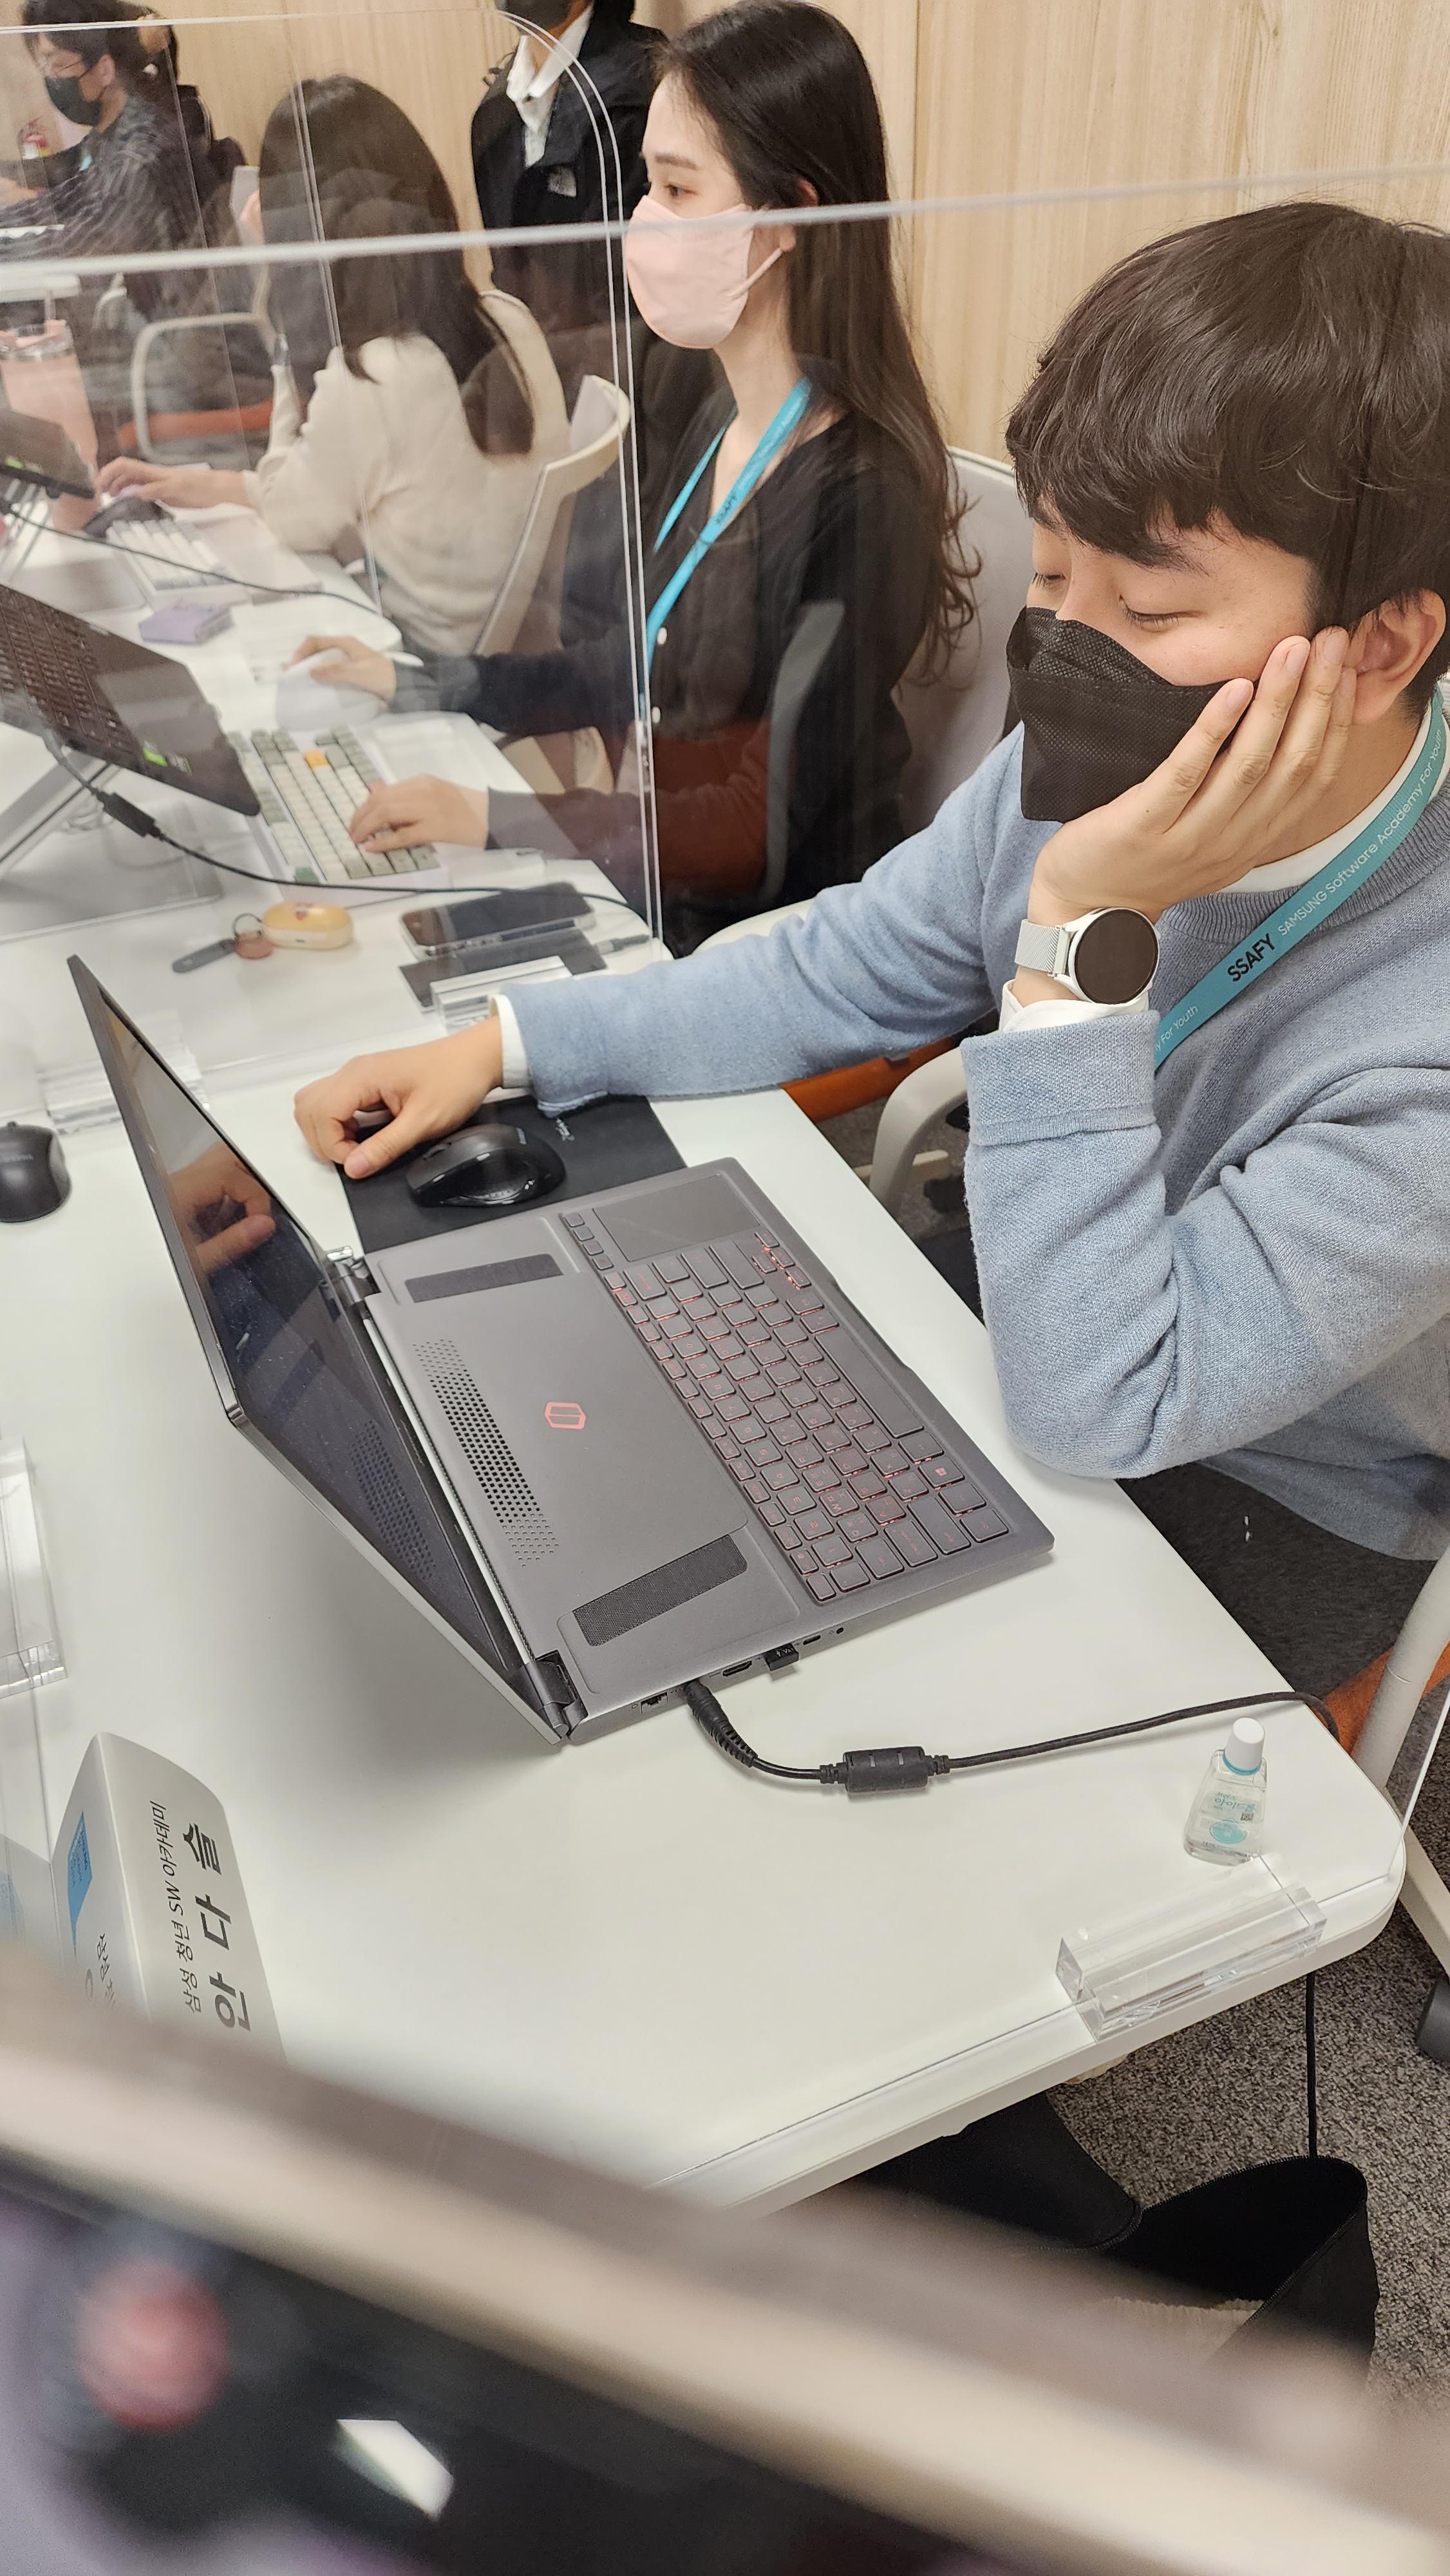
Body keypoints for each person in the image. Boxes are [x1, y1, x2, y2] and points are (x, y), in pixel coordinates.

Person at [296, 200, 1450, 1701]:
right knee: (605, 1505)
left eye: (1152, 606)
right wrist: (511, 1044)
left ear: (1377, 646)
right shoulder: (1113, 753)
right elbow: (846, 961)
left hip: (1256, 1476)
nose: (1071, 645)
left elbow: (1110, 1391)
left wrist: (1078, 932)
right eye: (1052, 580)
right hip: (1022, 1293)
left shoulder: (1416, 1015)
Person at [290, 0, 969, 945]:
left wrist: (498, 817)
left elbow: (753, 830)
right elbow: (640, 660)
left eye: (679, 190)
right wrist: (430, 682)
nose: (643, 223)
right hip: (662, 884)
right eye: (647, 185)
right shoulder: (721, 419)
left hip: (771, 942)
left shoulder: (862, 497)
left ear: (790, 219)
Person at [97, 79, 569, 660]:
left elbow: (292, 518)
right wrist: (210, 486)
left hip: (420, 663)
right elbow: (316, 491)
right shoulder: (508, 321)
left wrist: (279, 288)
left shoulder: (373, 377)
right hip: (505, 657)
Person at [4, 0, 252, 453]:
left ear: (103, 69)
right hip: (152, 329)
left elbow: (81, 243)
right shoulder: (119, 133)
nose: (50, 80)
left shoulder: (144, 151)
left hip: (185, 352)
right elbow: (67, 201)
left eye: (56, 66)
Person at [471, 0, 659, 390]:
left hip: (629, 381)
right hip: (545, 382)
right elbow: (509, 275)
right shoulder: (495, 111)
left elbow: (628, 294)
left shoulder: (637, 92)